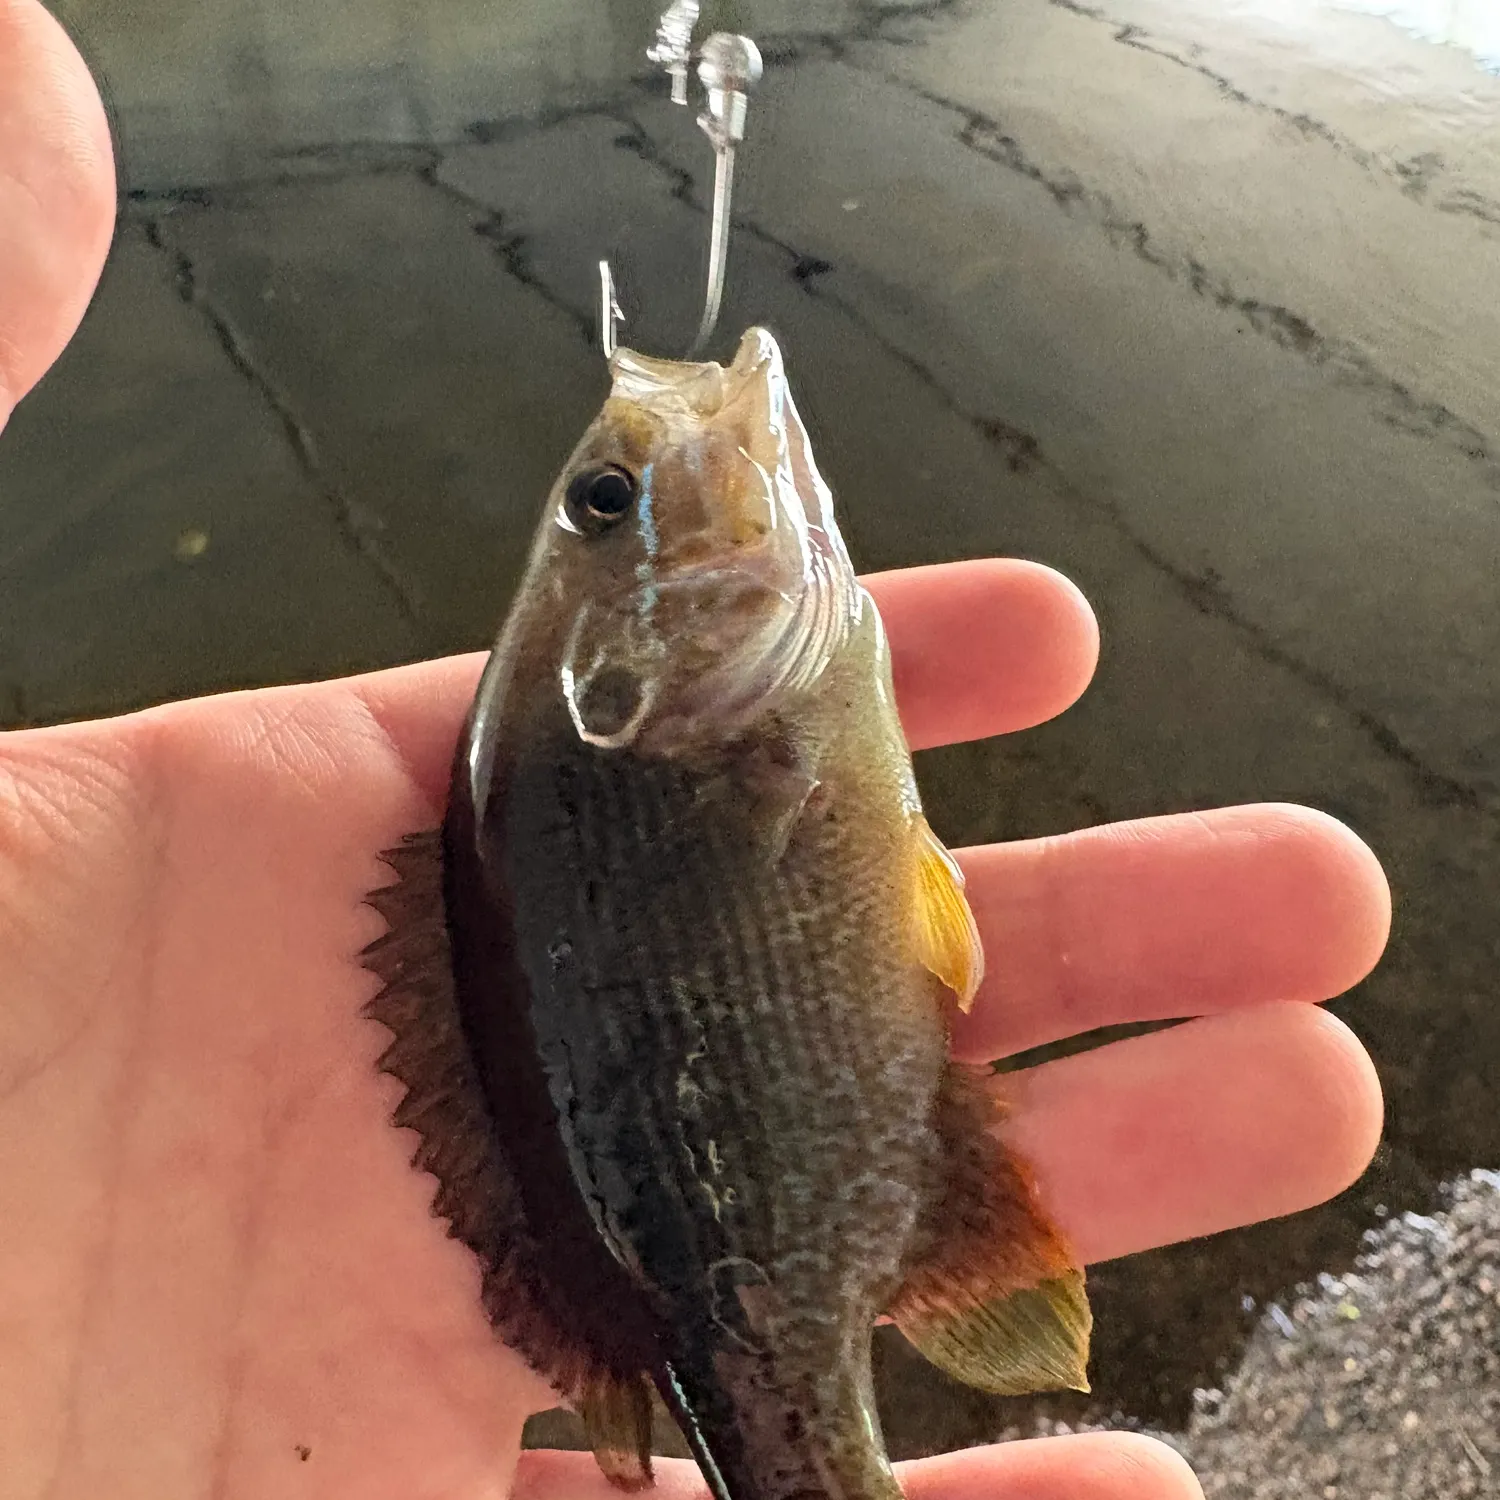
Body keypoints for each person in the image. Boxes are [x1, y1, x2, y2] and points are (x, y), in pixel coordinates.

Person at [0, 4, 1389, 1495]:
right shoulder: (661, 744)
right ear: (617, 689)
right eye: (611, 507)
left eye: (604, 504)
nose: (640, 473)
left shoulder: (647, 742)